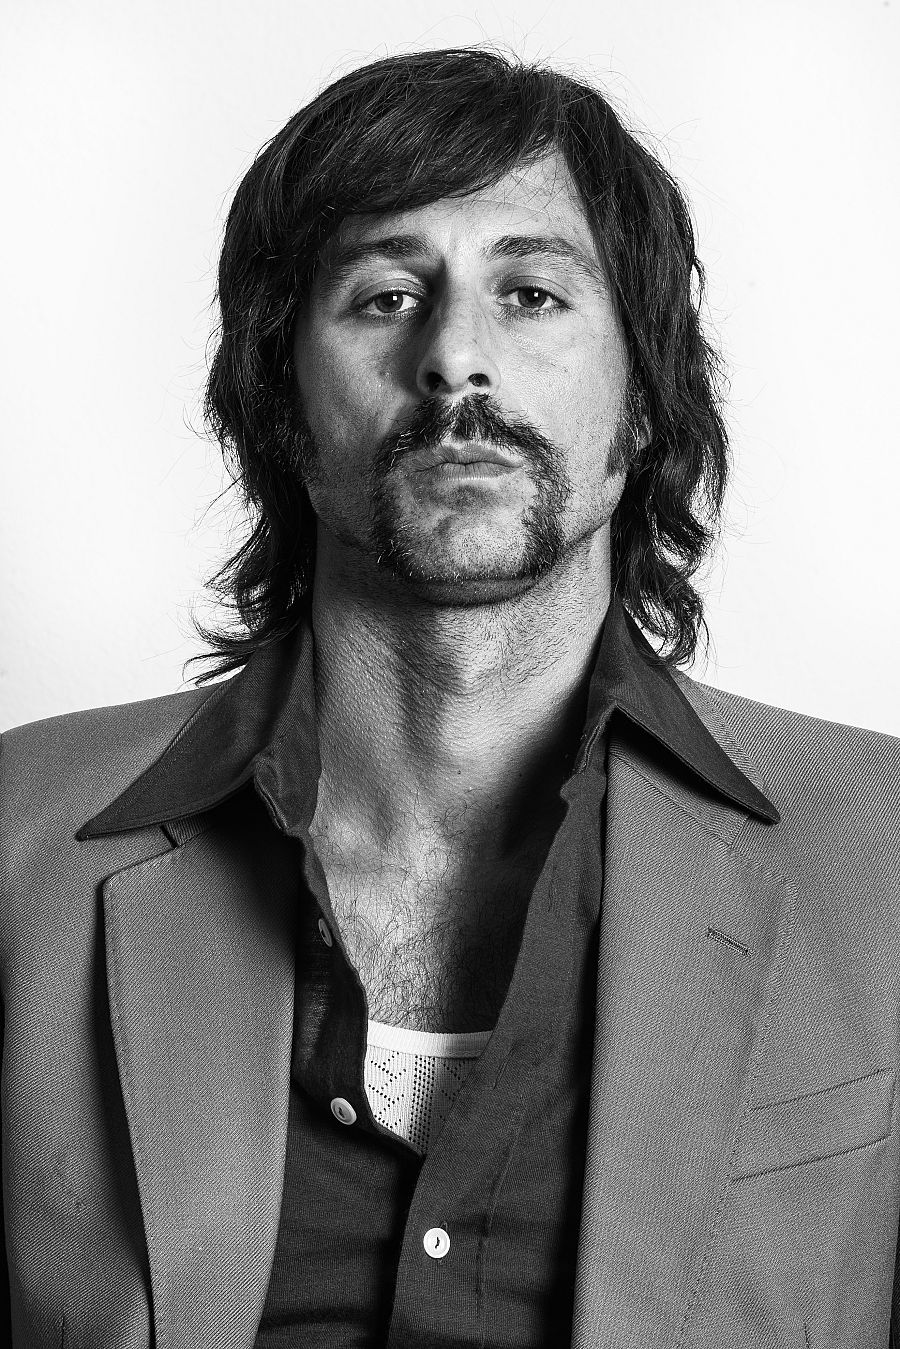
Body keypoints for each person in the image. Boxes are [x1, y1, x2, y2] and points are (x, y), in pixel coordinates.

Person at [2, 46, 899, 1349]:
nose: (456, 358)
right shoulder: (16, 846)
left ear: (643, 395)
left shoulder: (883, 857)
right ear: (280, 398)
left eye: (531, 294)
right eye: (384, 297)